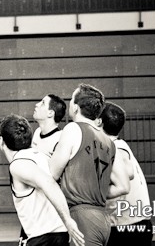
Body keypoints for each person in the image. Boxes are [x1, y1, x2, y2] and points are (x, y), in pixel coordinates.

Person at [48, 83, 130, 246]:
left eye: (72, 99)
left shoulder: (73, 129)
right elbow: (123, 186)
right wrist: (93, 191)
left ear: (76, 107)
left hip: (82, 217)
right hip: (102, 219)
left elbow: (52, 173)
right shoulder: (110, 141)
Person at [0, 113, 85, 246]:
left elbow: (48, 183)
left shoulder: (18, 164)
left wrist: (68, 220)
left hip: (44, 237)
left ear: (1, 141)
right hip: (60, 235)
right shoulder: (43, 156)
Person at [100, 101, 153, 246]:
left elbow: (128, 172)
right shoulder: (117, 144)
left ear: (99, 123)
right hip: (133, 224)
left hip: (129, 226)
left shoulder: (115, 148)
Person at [32, 94, 67, 161]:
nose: (37, 104)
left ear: (50, 113)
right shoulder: (37, 131)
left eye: (43, 103)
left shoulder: (60, 140)